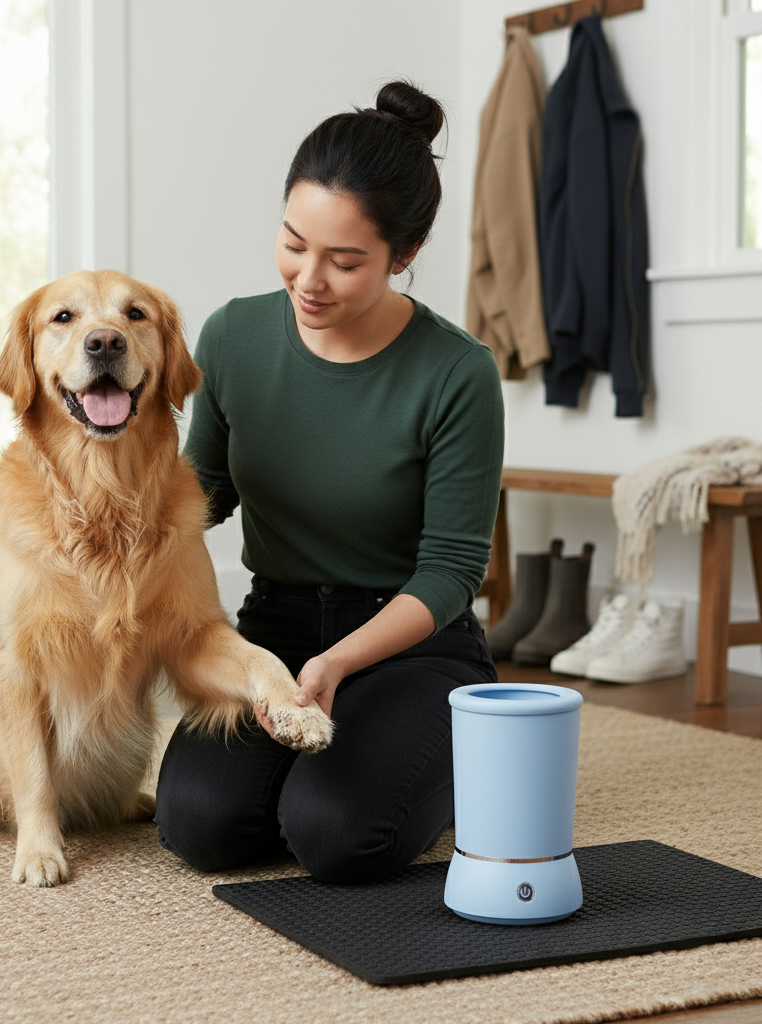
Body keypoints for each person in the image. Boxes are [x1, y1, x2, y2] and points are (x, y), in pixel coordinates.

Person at [154, 80, 505, 884]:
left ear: (403, 256)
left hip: (409, 645)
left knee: (337, 837)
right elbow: (198, 490)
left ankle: (444, 753)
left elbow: (452, 570)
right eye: (292, 242)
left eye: (345, 261)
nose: (308, 278)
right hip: (274, 629)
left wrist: (340, 663)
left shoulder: (457, 373)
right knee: (199, 827)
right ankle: (340, 771)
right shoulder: (235, 334)